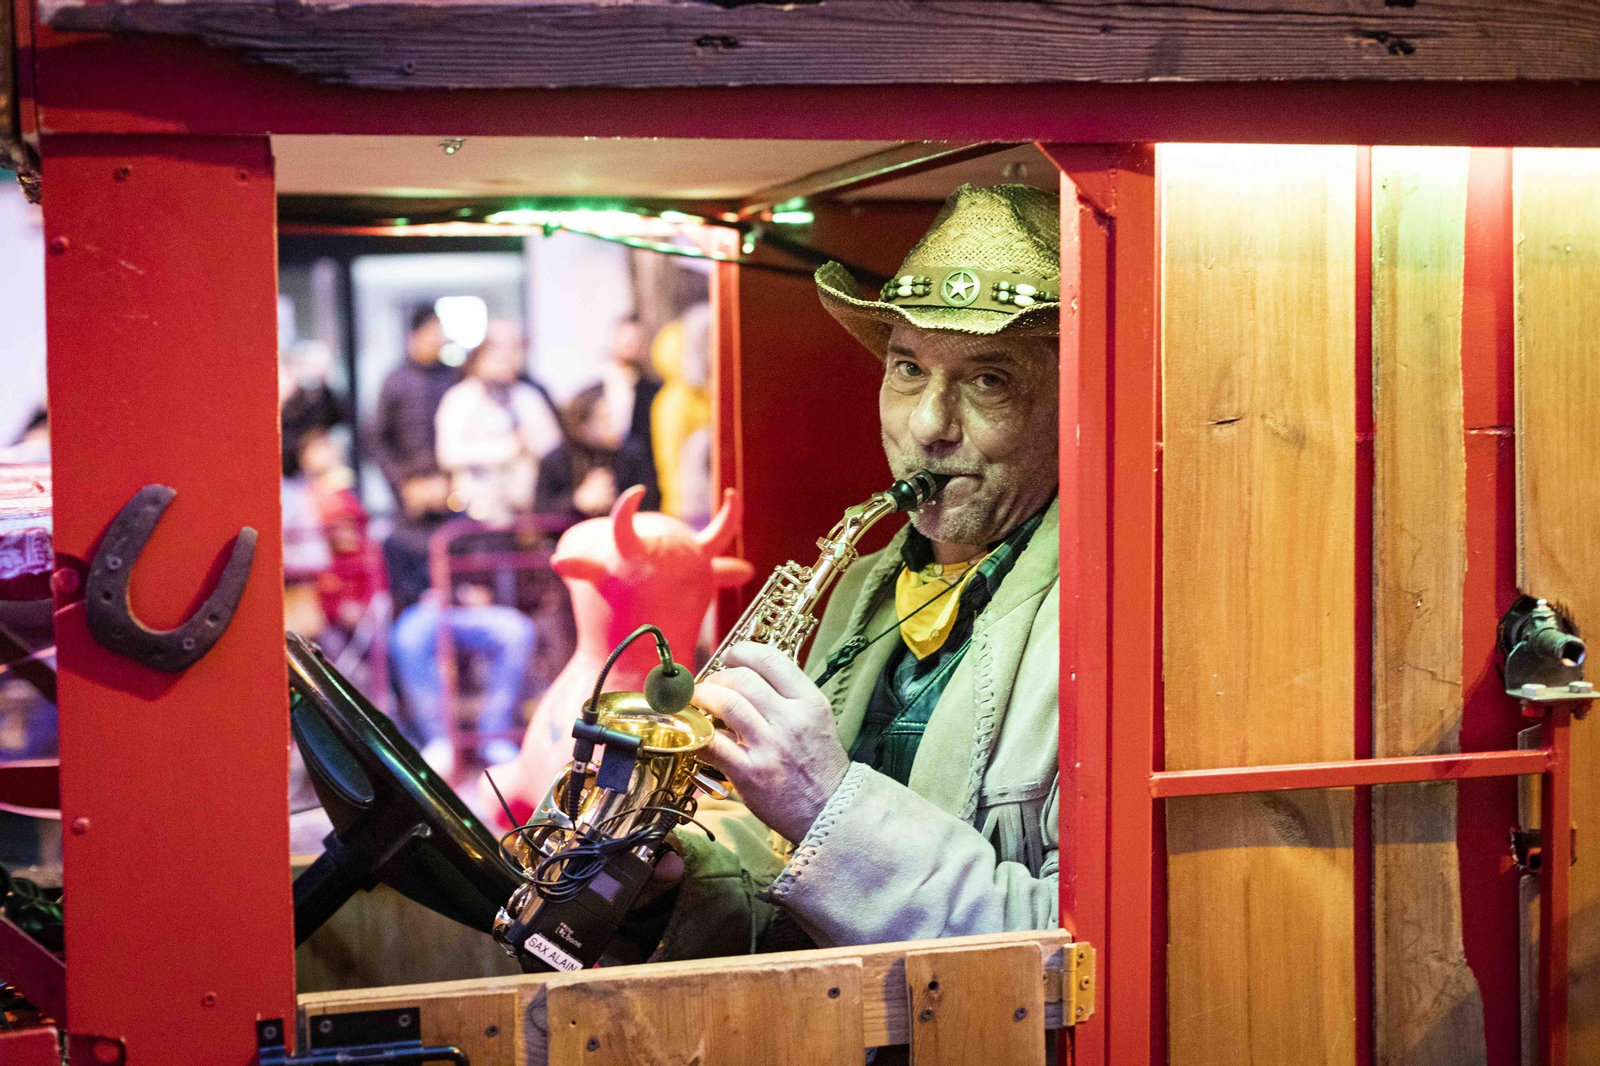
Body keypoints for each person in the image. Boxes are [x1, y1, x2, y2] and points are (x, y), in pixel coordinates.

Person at [636, 184, 1063, 962]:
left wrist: (829, 805)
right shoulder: (864, 588)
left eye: (989, 380)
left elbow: (1071, 949)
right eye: (908, 369)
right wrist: (675, 876)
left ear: (1074, 401)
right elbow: (798, 878)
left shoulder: (1109, 620)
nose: (928, 426)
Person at [434, 320, 563, 524]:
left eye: (513, 350)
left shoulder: (528, 397)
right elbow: (449, 453)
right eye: (497, 351)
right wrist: (507, 448)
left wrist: (529, 446)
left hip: (527, 509)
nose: (506, 359)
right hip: (476, 510)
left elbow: (553, 446)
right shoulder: (460, 399)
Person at [370, 307, 459, 519]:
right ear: (414, 336)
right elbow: (377, 440)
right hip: (410, 492)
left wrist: (451, 481)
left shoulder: (453, 377)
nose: (438, 340)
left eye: (440, 333)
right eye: (431, 333)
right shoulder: (396, 380)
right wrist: (402, 485)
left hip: (449, 489)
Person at [534, 381, 658, 522]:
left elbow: (650, 503)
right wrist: (577, 502)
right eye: (604, 418)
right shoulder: (556, 460)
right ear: (582, 426)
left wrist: (617, 501)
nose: (615, 425)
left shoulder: (632, 454)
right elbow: (540, 513)